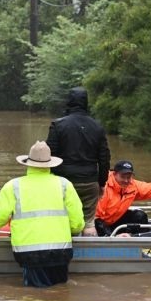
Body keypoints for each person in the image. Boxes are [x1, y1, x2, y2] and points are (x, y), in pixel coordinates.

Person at [0, 141, 85, 287]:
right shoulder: (65, 184)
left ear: (28, 164)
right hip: (61, 252)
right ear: (50, 164)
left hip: (31, 253)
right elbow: (77, 223)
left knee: (35, 300)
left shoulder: (14, 186)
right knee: (59, 297)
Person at [46, 86, 110, 236]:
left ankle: (63, 253)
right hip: (89, 181)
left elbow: (50, 156)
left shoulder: (58, 125)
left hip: (63, 181)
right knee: (88, 222)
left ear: (69, 102)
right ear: (86, 103)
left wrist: (52, 180)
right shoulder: (97, 127)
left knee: (64, 219)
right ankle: (88, 256)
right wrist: (101, 182)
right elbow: (104, 158)